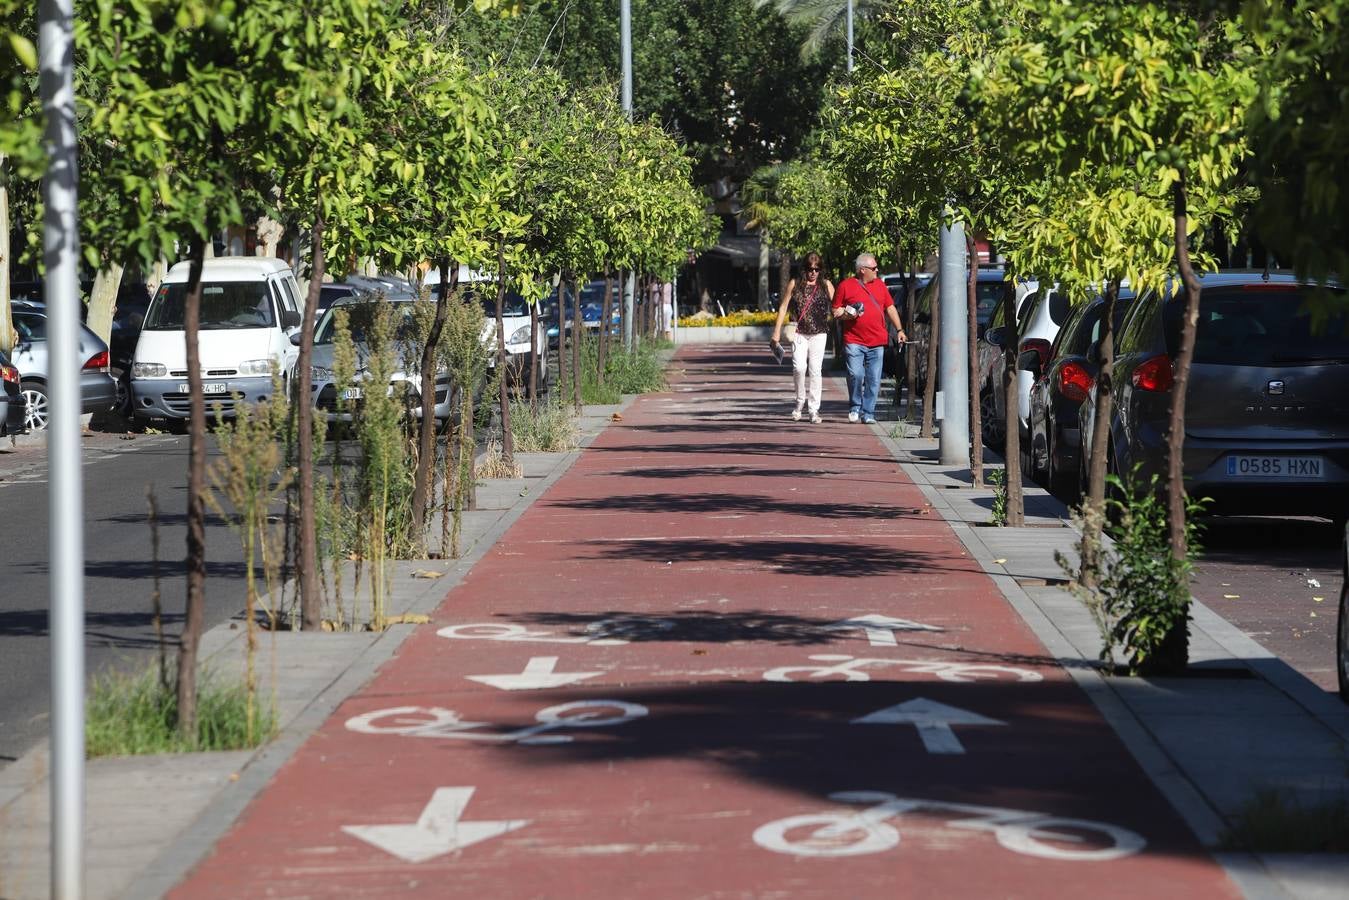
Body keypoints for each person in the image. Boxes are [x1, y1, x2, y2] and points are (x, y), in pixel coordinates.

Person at [832, 253, 906, 424]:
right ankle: (855, 406)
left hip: (877, 341)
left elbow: (890, 308)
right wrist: (847, 315)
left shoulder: (880, 285)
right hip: (854, 340)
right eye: (874, 268)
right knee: (856, 375)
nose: (877, 270)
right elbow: (835, 310)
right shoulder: (846, 286)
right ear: (862, 270)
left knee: (873, 379)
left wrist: (900, 329)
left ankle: (868, 412)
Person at [771, 252, 835, 423]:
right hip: (798, 332)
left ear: (821, 270)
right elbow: (783, 307)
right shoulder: (795, 284)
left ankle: (814, 410)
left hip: (819, 333)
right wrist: (776, 332)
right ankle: (799, 402)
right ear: (804, 269)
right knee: (799, 368)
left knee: (815, 370)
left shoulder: (826, 285)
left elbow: (837, 307)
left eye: (816, 269)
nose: (813, 272)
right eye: (809, 269)